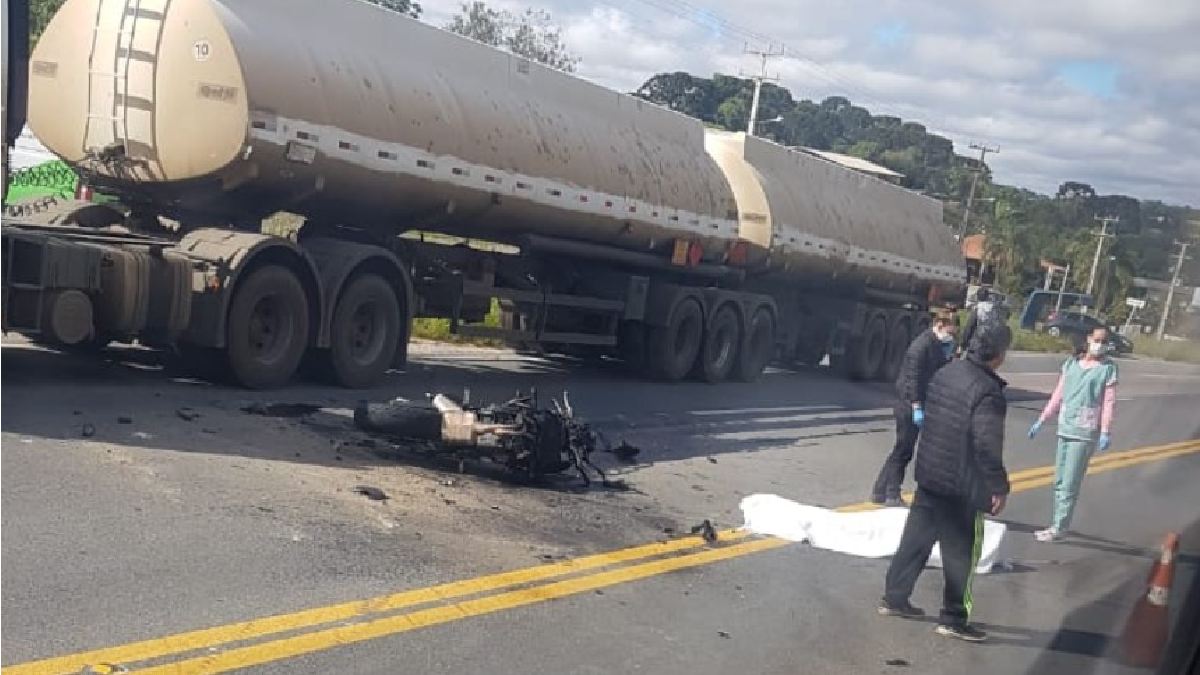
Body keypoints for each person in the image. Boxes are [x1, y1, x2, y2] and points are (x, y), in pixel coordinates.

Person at [878, 323, 1012, 643]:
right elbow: (986, 446)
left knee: (915, 541)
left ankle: (894, 598)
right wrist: (998, 485)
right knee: (961, 554)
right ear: (998, 355)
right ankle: (954, 617)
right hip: (961, 485)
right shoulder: (988, 392)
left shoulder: (946, 373)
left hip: (930, 474)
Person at [1027, 326, 1118, 542]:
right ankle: (1057, 523)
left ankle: (1060, 527)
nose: (1100, 344)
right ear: (1088, 339)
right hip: (1065, 427)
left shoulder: (1108, 369)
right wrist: (1042, 419)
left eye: (1104, 341)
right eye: (1097, 339)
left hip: (1085, 432)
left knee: (1069, 483)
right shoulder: (1071, 364)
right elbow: (1058, 395)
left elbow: (1108, 403)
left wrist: (1105, 430)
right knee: (1059, 480)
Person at [870, 313, 957, 506]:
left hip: (916, 404)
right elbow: (913, 379)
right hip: (909, 405)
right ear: (940, 325)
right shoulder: (921, 346)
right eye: (950, 330)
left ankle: (879, 490)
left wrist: (949, 357)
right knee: (903, 450)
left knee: (901, 449)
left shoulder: (935, 345)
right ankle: (892, 493)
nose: (951, 335)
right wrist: (917, 406)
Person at [960, 288, 1007, 354]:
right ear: (987, 296)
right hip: (993, 343)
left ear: (977, 297)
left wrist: (963, 343)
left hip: (978, 342)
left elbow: (970, 327)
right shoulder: (996, 309)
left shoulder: (978, 308)